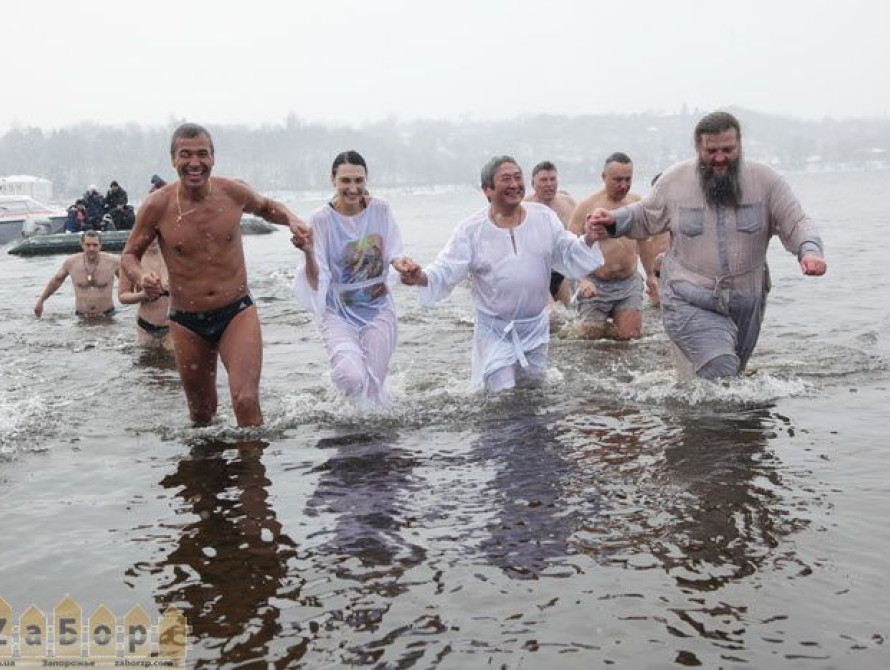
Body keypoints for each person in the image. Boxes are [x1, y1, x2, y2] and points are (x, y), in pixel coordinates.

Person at [589, 111, 827, 380]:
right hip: (689, 297)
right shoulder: (676, 180)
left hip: (747, 300)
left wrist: (809, 250)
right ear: (698, 148)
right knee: (721, 368)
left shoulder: (766, 181)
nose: (720, 158)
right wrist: (613, 221)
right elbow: (645, 215)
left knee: (731, 377)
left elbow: (796, 222)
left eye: (728, 149)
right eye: (711, 151)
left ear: (740, 145)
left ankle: (694, 414)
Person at [121, 122, 311, 427]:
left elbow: (266, 207)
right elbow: (130, 255)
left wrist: (292, 218)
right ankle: (209, 473)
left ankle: (252, 473)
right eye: (185, 155)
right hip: (186, 321)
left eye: (202, 154)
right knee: (201, 415)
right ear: (173, 160)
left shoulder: (232, 192)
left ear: (213, 158)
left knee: (246, 402)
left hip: (236, 312)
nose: (194, 163)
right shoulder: (158, 205)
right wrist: (143, 275)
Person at [396, 155, 606, 392]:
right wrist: (419, 276)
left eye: (518, 178)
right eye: (506, 179)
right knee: (502, 393)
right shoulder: (471, 229)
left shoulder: (543, 218)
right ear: (487, 190)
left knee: (534, 393)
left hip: (535, 327)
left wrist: (589, 237)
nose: (515, 185)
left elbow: (568, 250)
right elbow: (446, 268)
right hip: (495, 331)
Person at [293, 151, 408, 405]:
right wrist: (309, 252)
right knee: (351, 377)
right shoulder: (320, 220)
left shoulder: (380, 209)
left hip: (378, 307)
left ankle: (369, 442)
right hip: (338, 310)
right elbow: (315, 280)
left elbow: (394, 254)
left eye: (359, 180)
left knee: (374, 390)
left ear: (366, 180)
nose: (353, 188)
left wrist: (403, 265)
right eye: (346, 181)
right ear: (333, 180)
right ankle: (341, 401)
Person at [569, 152, 644, 340]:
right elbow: (569, 249)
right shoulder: (587, 206)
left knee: (630, 338)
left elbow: (645, 241)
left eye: (628, 179)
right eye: (618, 179)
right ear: (603, 177)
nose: (623, 185)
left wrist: (651, 275)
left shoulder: (636, 203)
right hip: (595, 283)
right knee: (591, 341)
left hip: (628, 282)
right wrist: (582, 280)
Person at [525, 161, 578, 307]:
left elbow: (579, 236)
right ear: (533, 184)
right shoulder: (524, 208)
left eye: (552, 179)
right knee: (551, 315)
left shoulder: (568, 203)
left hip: (561, 270)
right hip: (536, 272)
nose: (549, 184)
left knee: (568, 317)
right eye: (543, 180)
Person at [34, 230, 120, 318]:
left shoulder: (113, 262)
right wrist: (41, 300)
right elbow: (56, 281)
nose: (91, 249)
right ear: (82, 245)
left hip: (107, 315)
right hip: (82, 317)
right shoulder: (72, 262)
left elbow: (128, 281)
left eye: (95, 245)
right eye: (88, 245)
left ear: (100, 245)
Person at [118, 238, 172, 350]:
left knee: (172, 364)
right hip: (146, 326)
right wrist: (143, 295)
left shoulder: (175, 256)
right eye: (148, 237)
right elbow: (122, 296)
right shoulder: (132, 260)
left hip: (174, 326)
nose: (152, 240)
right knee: (146, 364)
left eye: (155, 236)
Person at [637, 172, 670, 307]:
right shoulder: (647, 216)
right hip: (657, 276)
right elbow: (635, 247)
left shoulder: (688, 212)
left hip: (684, 275)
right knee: (657, 306)